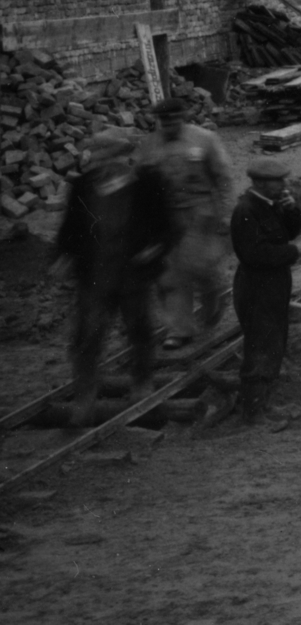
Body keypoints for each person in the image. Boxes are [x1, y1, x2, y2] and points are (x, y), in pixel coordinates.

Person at [54, 127, 179, 427]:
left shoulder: (147, 182)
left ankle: (142, 385)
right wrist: (61, 256)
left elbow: (170, 226)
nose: (103, 165)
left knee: (139, 330)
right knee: (87, 336)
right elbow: (70, 225)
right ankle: (85, 398)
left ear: (125, 157)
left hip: (133, 274)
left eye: (109, 158)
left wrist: (154, 250)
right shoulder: (84, 185)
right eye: (98, 159)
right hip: (95, 276)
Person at [136, 98, 233, 350]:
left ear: (183, 117)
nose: (169, 125)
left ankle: (213, 303)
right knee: (170, 276)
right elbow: (142, 185)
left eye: (174, 119)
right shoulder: (149, 146)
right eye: (164, 121)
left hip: (201, 215)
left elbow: (222, 178)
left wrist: (224, 214)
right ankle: (180, 329)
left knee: (200, 269)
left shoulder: (204, 140)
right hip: (166, 218)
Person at [229, 158, 301, 424]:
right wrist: (293, 252)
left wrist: (292, 210)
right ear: (260, 183)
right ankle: (254, 412)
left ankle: (263, 403)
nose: (283, 185)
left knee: (273, 344)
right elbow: (253, 254)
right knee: (261, 347)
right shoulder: (246, 210)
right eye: (278, 181)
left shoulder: (270, 205)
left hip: (274, 284)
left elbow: (290, 232)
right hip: (256, 287)